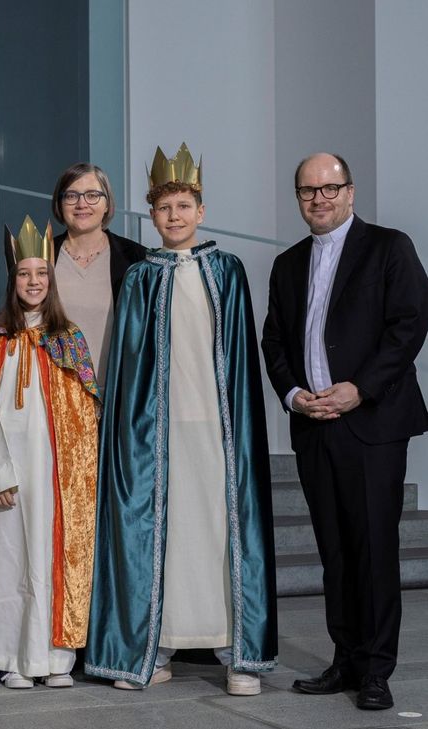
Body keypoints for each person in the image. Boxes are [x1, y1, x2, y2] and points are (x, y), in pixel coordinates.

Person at [85, 144, 278, 696]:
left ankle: (237, 653)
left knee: (220, 531)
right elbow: (128, 363)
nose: (174, 216)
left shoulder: (227, 271)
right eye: (165, 208)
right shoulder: (140, 278)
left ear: (201, 211)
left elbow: (240, 357)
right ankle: (157, 645)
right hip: (160, 430)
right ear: (152, 215)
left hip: (217, 427)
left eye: (184, 206)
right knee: (165, 533)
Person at [261, 153, 428, 711]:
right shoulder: (287, 264)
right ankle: (346, 658)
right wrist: (293, 394)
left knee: (373, 548)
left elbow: (409, 325)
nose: (319, 199)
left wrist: (361, 389)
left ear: (350, 192)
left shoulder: (389, 247)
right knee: (333, 549)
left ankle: (377, 670)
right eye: (307, 190)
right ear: (298, 198)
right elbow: (274, 341)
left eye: (329, 188)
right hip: (314, 425)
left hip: (372, 424)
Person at [0, 216, 100, 690]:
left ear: (51, 279)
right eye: (24, 274)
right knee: (8, 559)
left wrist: (73, 474)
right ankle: (10, 657)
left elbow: (86, 414)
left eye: (41, 273)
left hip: (53, 474)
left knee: (50, 559)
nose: (33, 282)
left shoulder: (68, 338)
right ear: (12, 279)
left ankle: (55, 659)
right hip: (5, 474)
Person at [51, 163, 146, 384]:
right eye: (71, 196)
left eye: (92, 195)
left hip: (115, 392)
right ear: (60, 204)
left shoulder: (136, 258)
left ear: (107, 204)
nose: (82, 204)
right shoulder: (42, 255)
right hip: (55, 393)